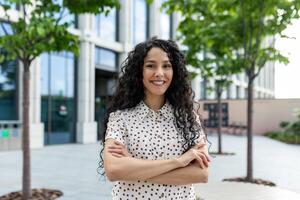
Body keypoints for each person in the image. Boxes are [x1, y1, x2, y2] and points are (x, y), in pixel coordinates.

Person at [99, 37, 210, 200]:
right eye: (151, 65)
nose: (159, 73)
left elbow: (201, 174)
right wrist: (179, 162)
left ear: (175, 72)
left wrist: (133, 166)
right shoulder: (120, 118)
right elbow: (114, 170)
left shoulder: (188, 118)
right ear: (139, 71)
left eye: (166, 66)